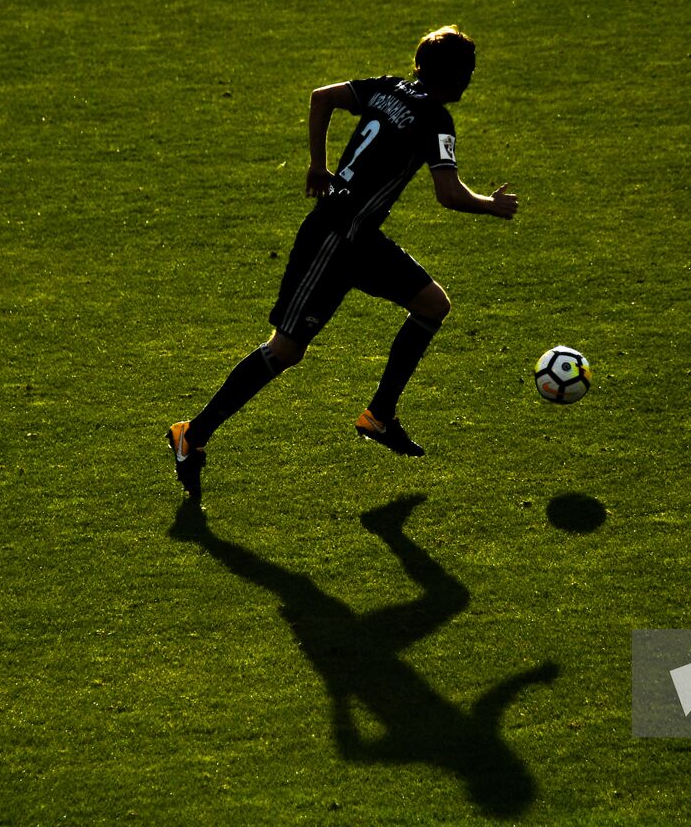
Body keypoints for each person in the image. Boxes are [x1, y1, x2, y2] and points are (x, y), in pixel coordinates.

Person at [167, 25, 518, 499]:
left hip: (360, 239)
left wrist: (317, 163)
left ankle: (379, 415)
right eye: (468, 71)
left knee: (433, 304)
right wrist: (491, 206)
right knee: (286, 351)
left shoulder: (387, 88)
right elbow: (449, 194)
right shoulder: (435, 120)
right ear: (453, 75)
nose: (471, 81)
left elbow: (321, 97)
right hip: (333, 240)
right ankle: (193, 434)